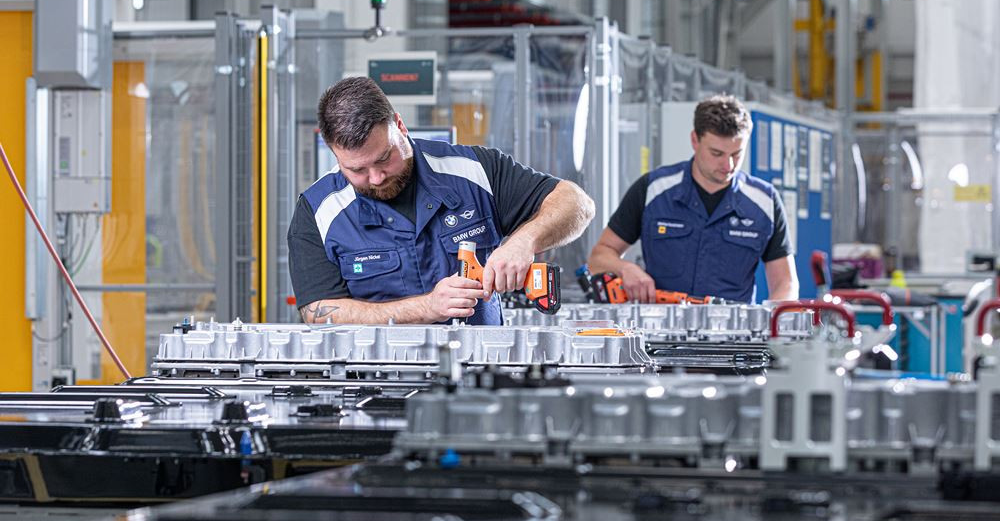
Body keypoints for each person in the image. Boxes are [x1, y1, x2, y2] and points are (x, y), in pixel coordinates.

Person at [288, 76, 595, 325]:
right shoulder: (317, 212)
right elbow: (318, 311)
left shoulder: (473, 170)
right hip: (377, 386)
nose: (377, 177)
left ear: (400, 126)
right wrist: (427, 308)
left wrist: (524, 241)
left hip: (481, 379)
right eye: (357, 170)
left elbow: (577, 203)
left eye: (384, 158)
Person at [587, 94, 798, 303]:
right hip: (660, 330)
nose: (729, 166)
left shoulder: (765, 202)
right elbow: (599, 257)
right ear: (695, 140)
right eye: (717, 153)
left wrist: (772, 322)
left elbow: (785, 283)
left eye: (736, 154)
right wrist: (626, 268)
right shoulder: (653, 190)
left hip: (734, 334)